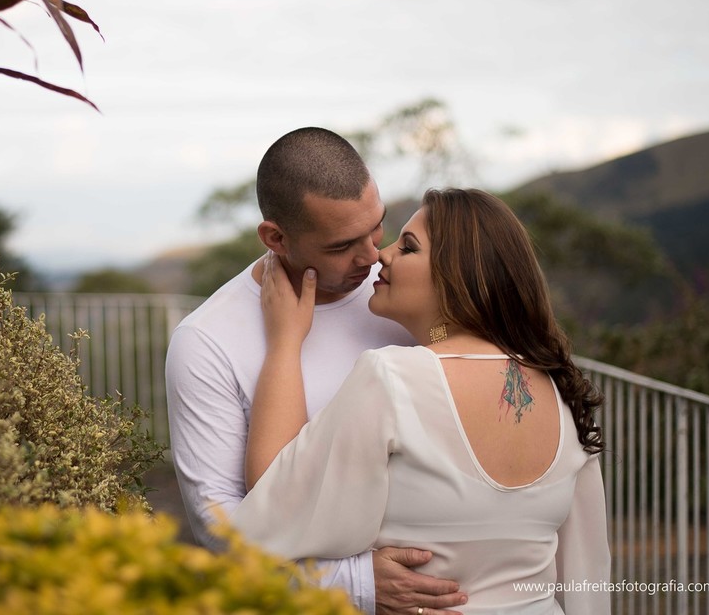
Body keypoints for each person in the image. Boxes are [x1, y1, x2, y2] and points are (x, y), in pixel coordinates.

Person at [232, 188, 611, 614]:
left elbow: (271, 511)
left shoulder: (392, 377)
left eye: (408, 247)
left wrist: (284, 343)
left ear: (458, 274)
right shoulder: (562, 386)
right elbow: (587, 580)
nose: (383, 255)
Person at [166, 127, 470, 614]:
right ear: (276, 237)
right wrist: (355, 583)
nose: (373, 256)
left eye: (377, 226)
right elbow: (218, 525)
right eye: (341, 245)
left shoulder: (405, 286)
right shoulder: (206, 341)